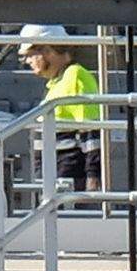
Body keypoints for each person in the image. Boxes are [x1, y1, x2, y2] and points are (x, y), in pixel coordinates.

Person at [30, 24, 104, 193]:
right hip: (54, 172)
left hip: (68, 174)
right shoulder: (56, 82)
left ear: (48, 51)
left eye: (32, 55)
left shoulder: (76, 76)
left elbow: (90, 129)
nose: (29, 61)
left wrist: (93, 177)